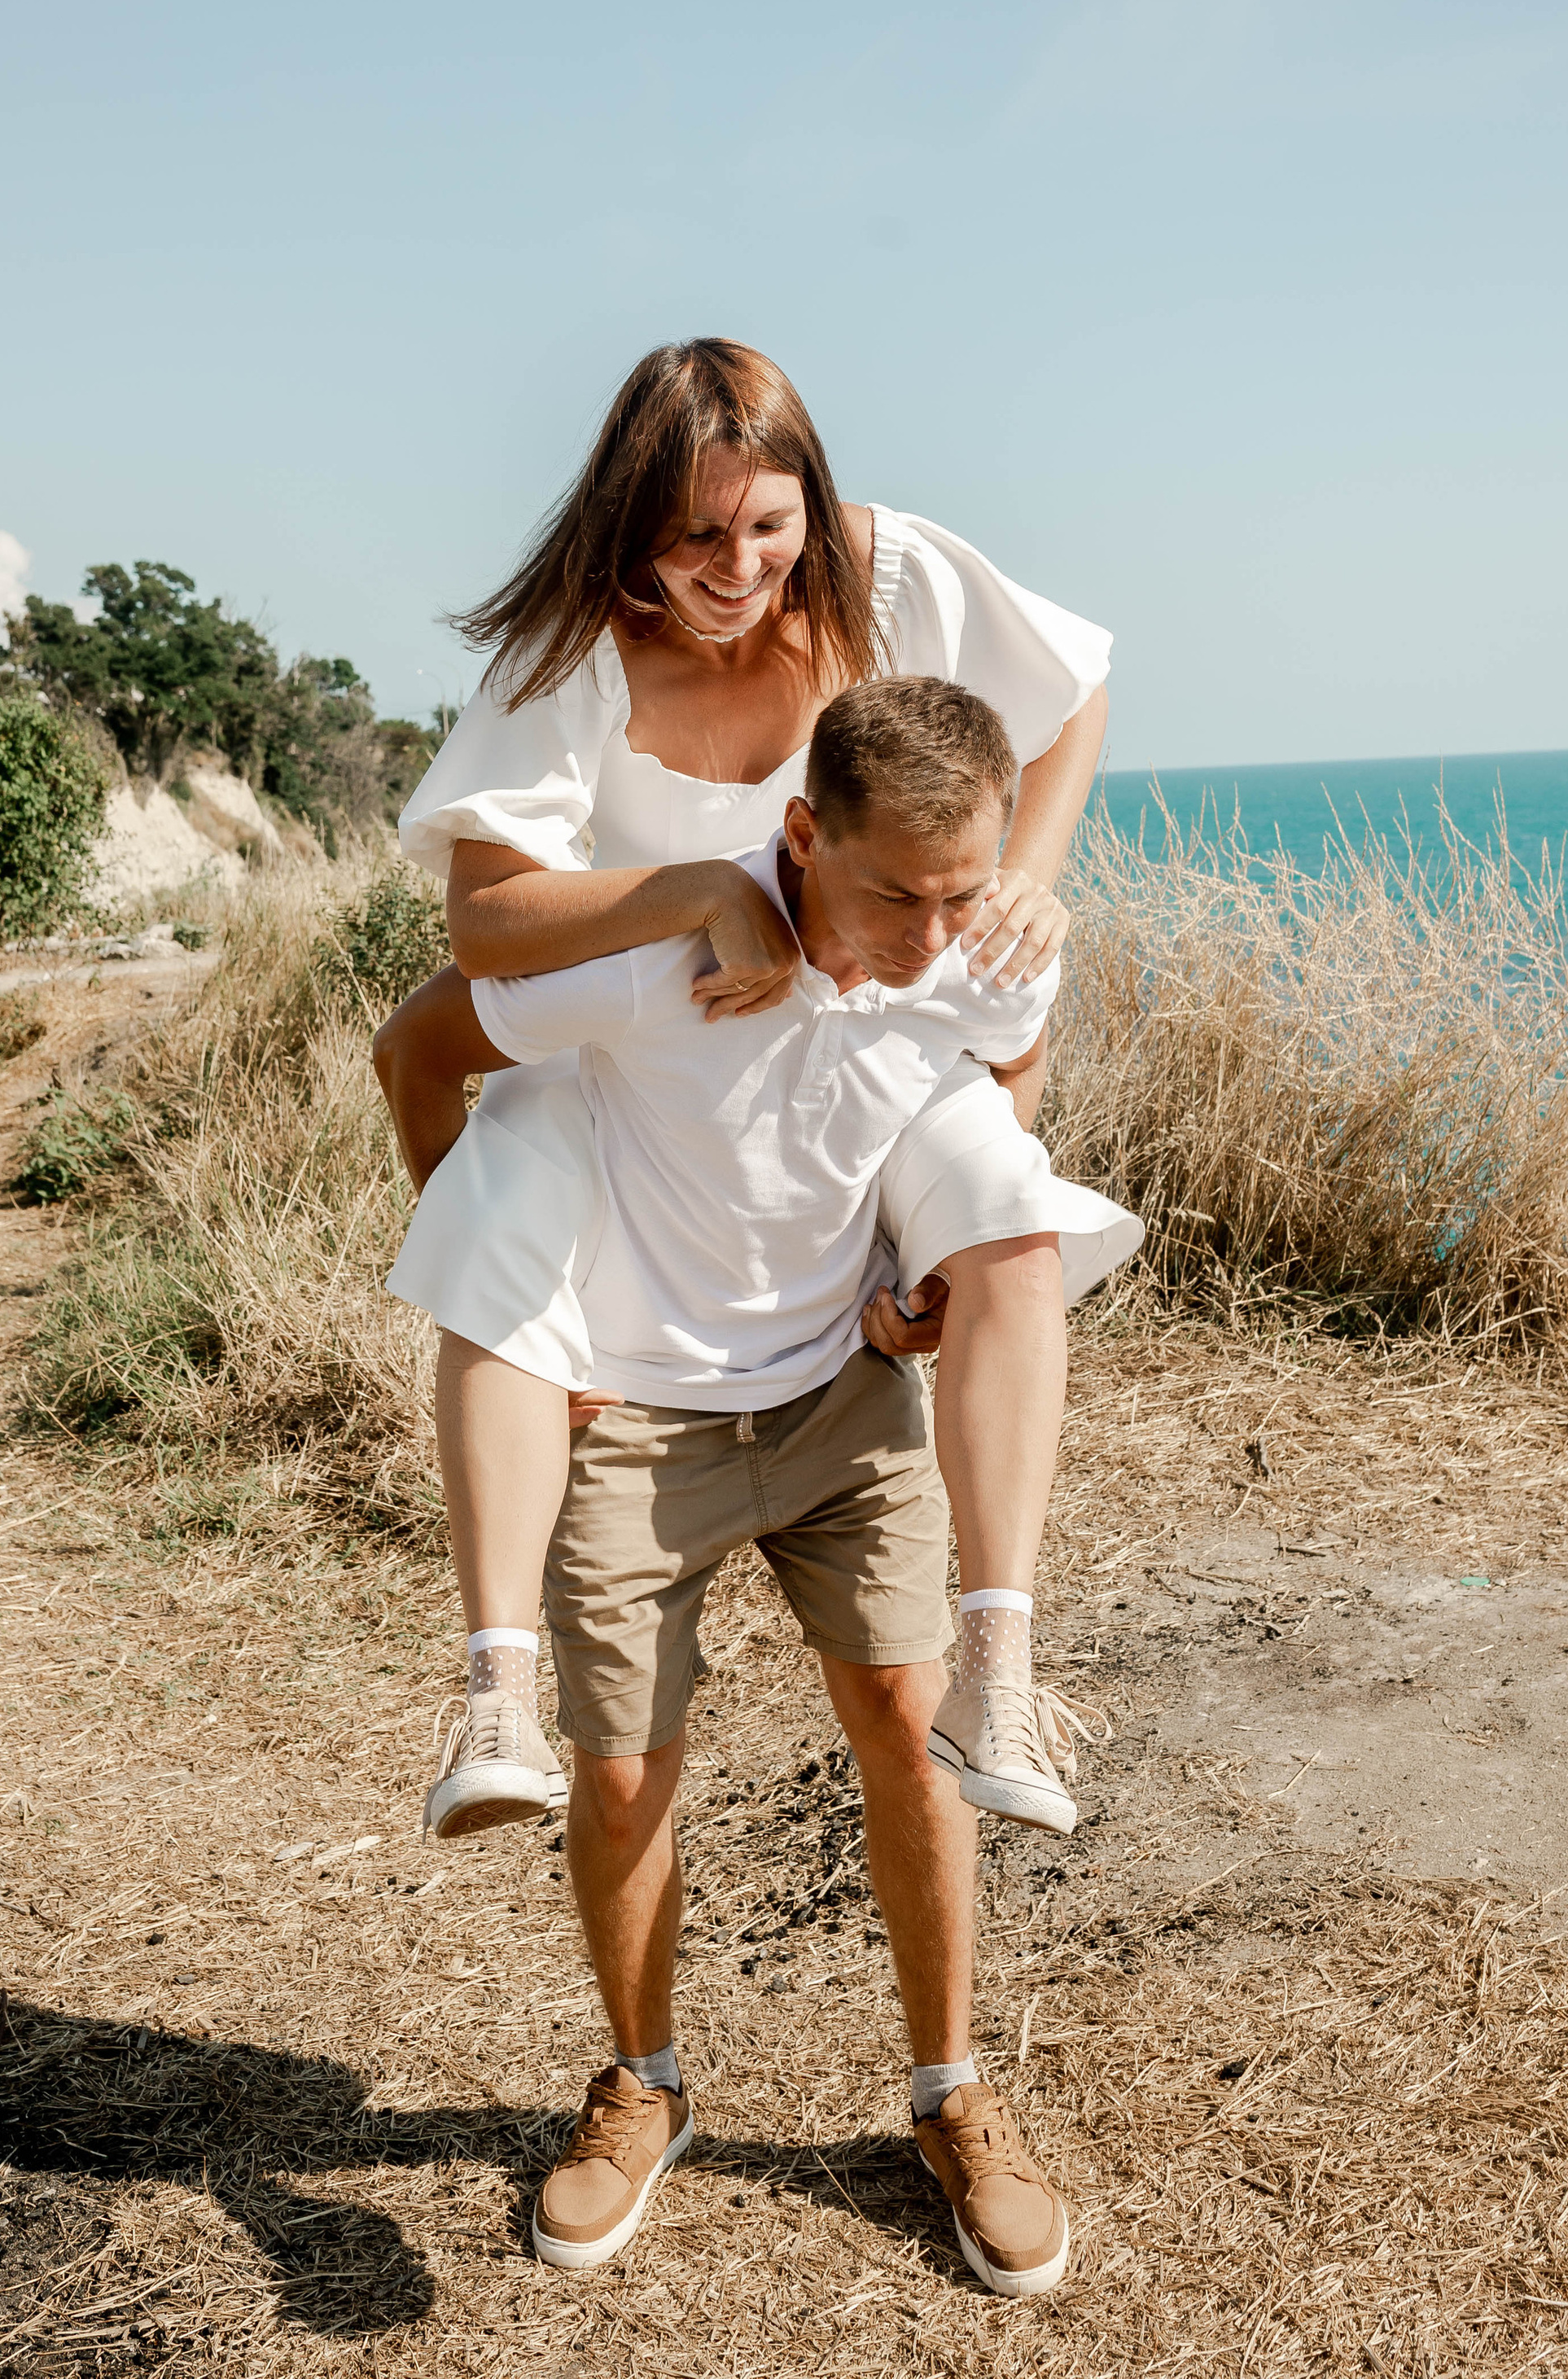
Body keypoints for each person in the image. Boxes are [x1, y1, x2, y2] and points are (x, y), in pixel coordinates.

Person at [382, 678, 1141, 2290]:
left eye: (962, 892)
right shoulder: (660, 958)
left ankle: (949, 2095)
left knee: (912, 1728)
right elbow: (417, 1047)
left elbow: (1001, 1073)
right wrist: (512, 1281)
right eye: (893, 895)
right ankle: (642, 2086)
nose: (935, 937)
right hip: (639, 1421)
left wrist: (916, 1267)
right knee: (620, 1774)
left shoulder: (987, 942)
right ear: (801, 837)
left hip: (838, 1404)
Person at [389, 337, 1121, 1813]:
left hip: (864, 1033)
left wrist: (1020, 884)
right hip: (659, 1027)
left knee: (1005, 1202)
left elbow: (1077, 689)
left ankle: (1004, 1677)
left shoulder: (889, 575)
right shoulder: (572, 657)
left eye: (769, 527)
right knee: (514, 1197)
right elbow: (478, 932)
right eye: (698, 536)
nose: (739, 569)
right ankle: (490, 1706)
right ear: (629, 523)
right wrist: (701, 895)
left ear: (813, 505)